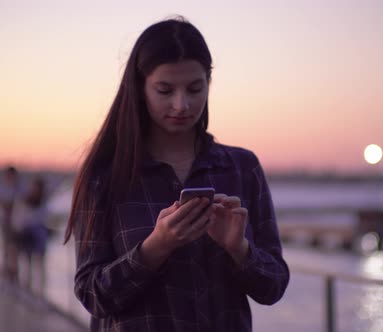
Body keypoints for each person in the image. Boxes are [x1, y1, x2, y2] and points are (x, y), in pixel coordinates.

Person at [63, 17, 289, 331]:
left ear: (209, 83)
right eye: (165, 90)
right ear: (140, 88)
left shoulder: (242, 167)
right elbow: (92, 294)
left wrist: (240, 249)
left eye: (195, 88)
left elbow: (274, 286)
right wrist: (156, 246)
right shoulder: (105, 175)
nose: (181, 104)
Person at [11, 176, 49, 295]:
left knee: (39, 265)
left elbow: (45, 218)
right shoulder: (24, 201)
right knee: (26, 263)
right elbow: (18, 220)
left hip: (38, 236)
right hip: (26, 236)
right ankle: (27, 290)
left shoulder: (43, 202)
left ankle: (40, 292)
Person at [0, 166, 22, 283]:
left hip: (17, 224)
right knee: (5, 248)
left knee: (15, 250)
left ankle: (14, 274)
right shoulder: (2, 188)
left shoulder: (18, 188)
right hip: (5, 223)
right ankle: (6, 273)